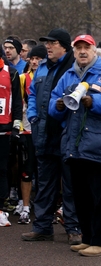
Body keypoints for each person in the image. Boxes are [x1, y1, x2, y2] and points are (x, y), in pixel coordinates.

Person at [49, 34, 101, 256]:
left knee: (99, 197)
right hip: (74, 147)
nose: (82, 51)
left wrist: (95, 101)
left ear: (94, 50)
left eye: (87, 47)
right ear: (73, 51)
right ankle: (88, 238)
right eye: (79, 48)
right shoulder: (67, 75)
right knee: (81, 196)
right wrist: (57, 106)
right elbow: (53, 105)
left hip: (99, 145)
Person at [22, 28, 81, 245]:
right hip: (44, 133)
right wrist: (34, 118)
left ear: (64, 46)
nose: (48, 46)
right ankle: (42, 227)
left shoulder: (75, 68)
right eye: (47, 43)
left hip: (67, 135)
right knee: (45, 183)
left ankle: (74, 228)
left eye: (52, 43)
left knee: (70, 185)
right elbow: (33, 94)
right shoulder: (42, 67)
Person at [14, 45, 47, 225]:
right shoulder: (22, 78)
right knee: (26, 169)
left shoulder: (49, 77)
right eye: (32, 58)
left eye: (38, 58)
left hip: (45, 129)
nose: (34, 61)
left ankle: (46, 206)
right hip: (27, 128)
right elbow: (19, 104)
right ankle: (25, 207)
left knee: (45, 171)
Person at [0, 46, 23, 227]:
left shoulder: (12, 73)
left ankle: (0, 209)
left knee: (2, 169)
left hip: (4, 128)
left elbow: (17, 101)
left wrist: (16, 127)